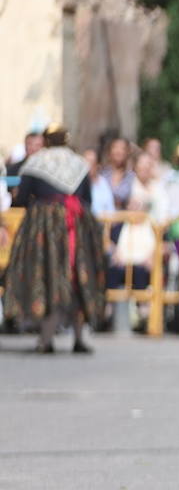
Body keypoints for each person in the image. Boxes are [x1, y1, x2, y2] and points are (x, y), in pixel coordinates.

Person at [2, 126, 105, 353]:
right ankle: (78, 338)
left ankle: (46, 339)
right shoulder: (79, 163)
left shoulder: (37, 162)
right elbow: (87, 198)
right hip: (76, 224)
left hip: (45, 226)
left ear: (47, 142)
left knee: (47, 276)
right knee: (77, 276)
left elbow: (23, 197)